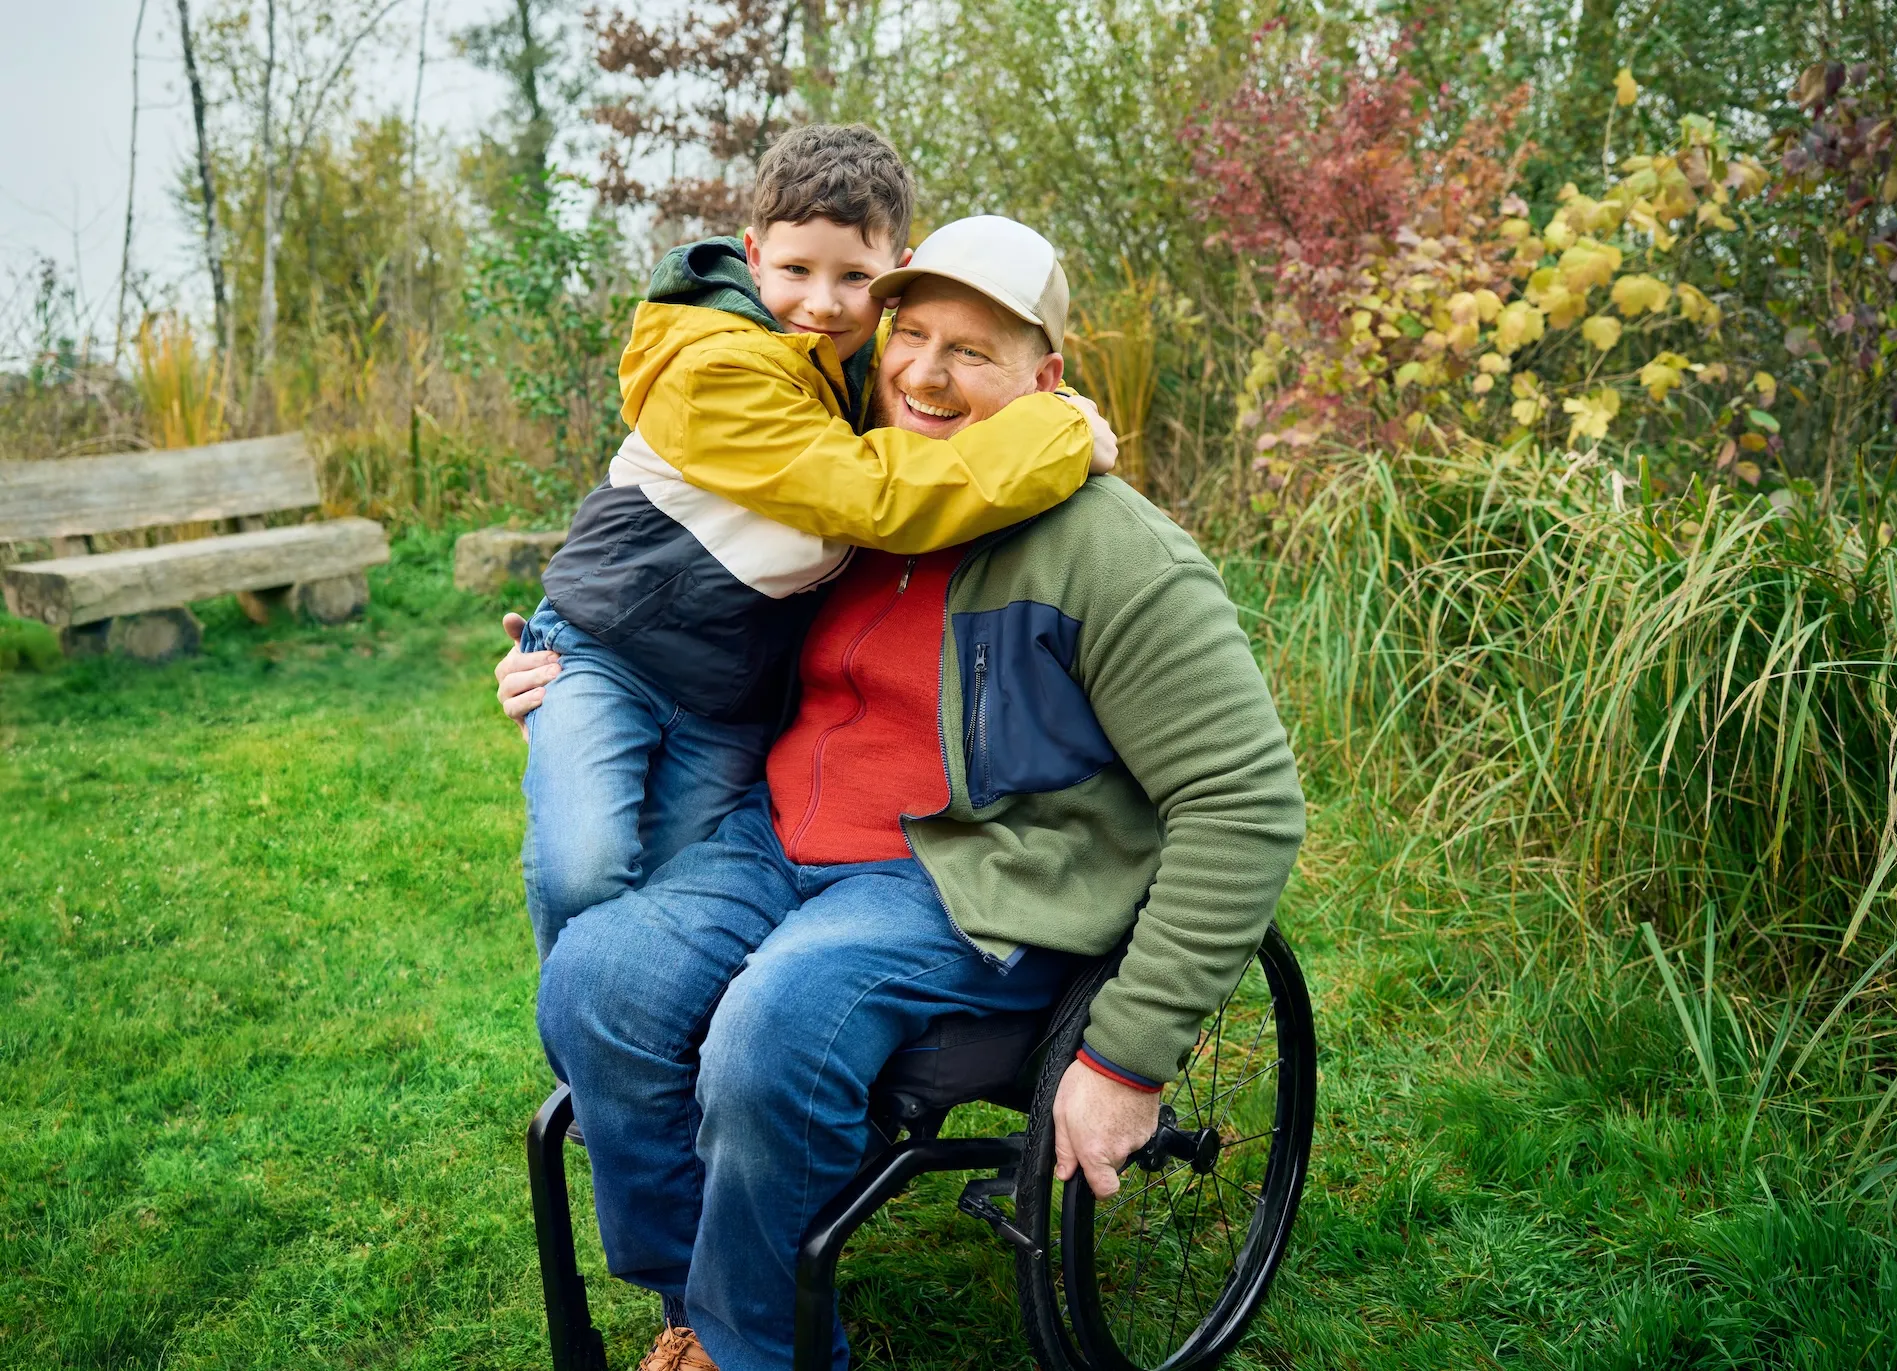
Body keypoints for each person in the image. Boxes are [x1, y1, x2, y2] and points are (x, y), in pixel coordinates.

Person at [495, 217, 1306, 1371]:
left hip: (961, 876)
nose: (926, 371)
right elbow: (662, 599)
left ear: (1047, 378)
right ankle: (702, 1311)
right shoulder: (851, 496)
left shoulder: (1117, 555)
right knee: (596, 980)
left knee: (772, 1028)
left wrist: (1130, 1060)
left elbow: (1246, 800)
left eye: (972, 351)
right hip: (774, 840)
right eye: (909, 333)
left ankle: (754, 1353)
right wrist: (562, 669)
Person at [518, 124, 1114, 959]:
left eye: (856, 279)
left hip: (728, 694)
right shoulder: (718, 368)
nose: (825, 302)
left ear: (890, 279)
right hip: (619, 653)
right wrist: (1056, 436)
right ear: (754, 256)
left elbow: (964, 391)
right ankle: (581, 1058)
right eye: (797, 271)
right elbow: (876, 493)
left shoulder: (853, 370)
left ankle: (657, 1048)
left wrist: (1043, 404)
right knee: (585, 868)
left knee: (670, 894)